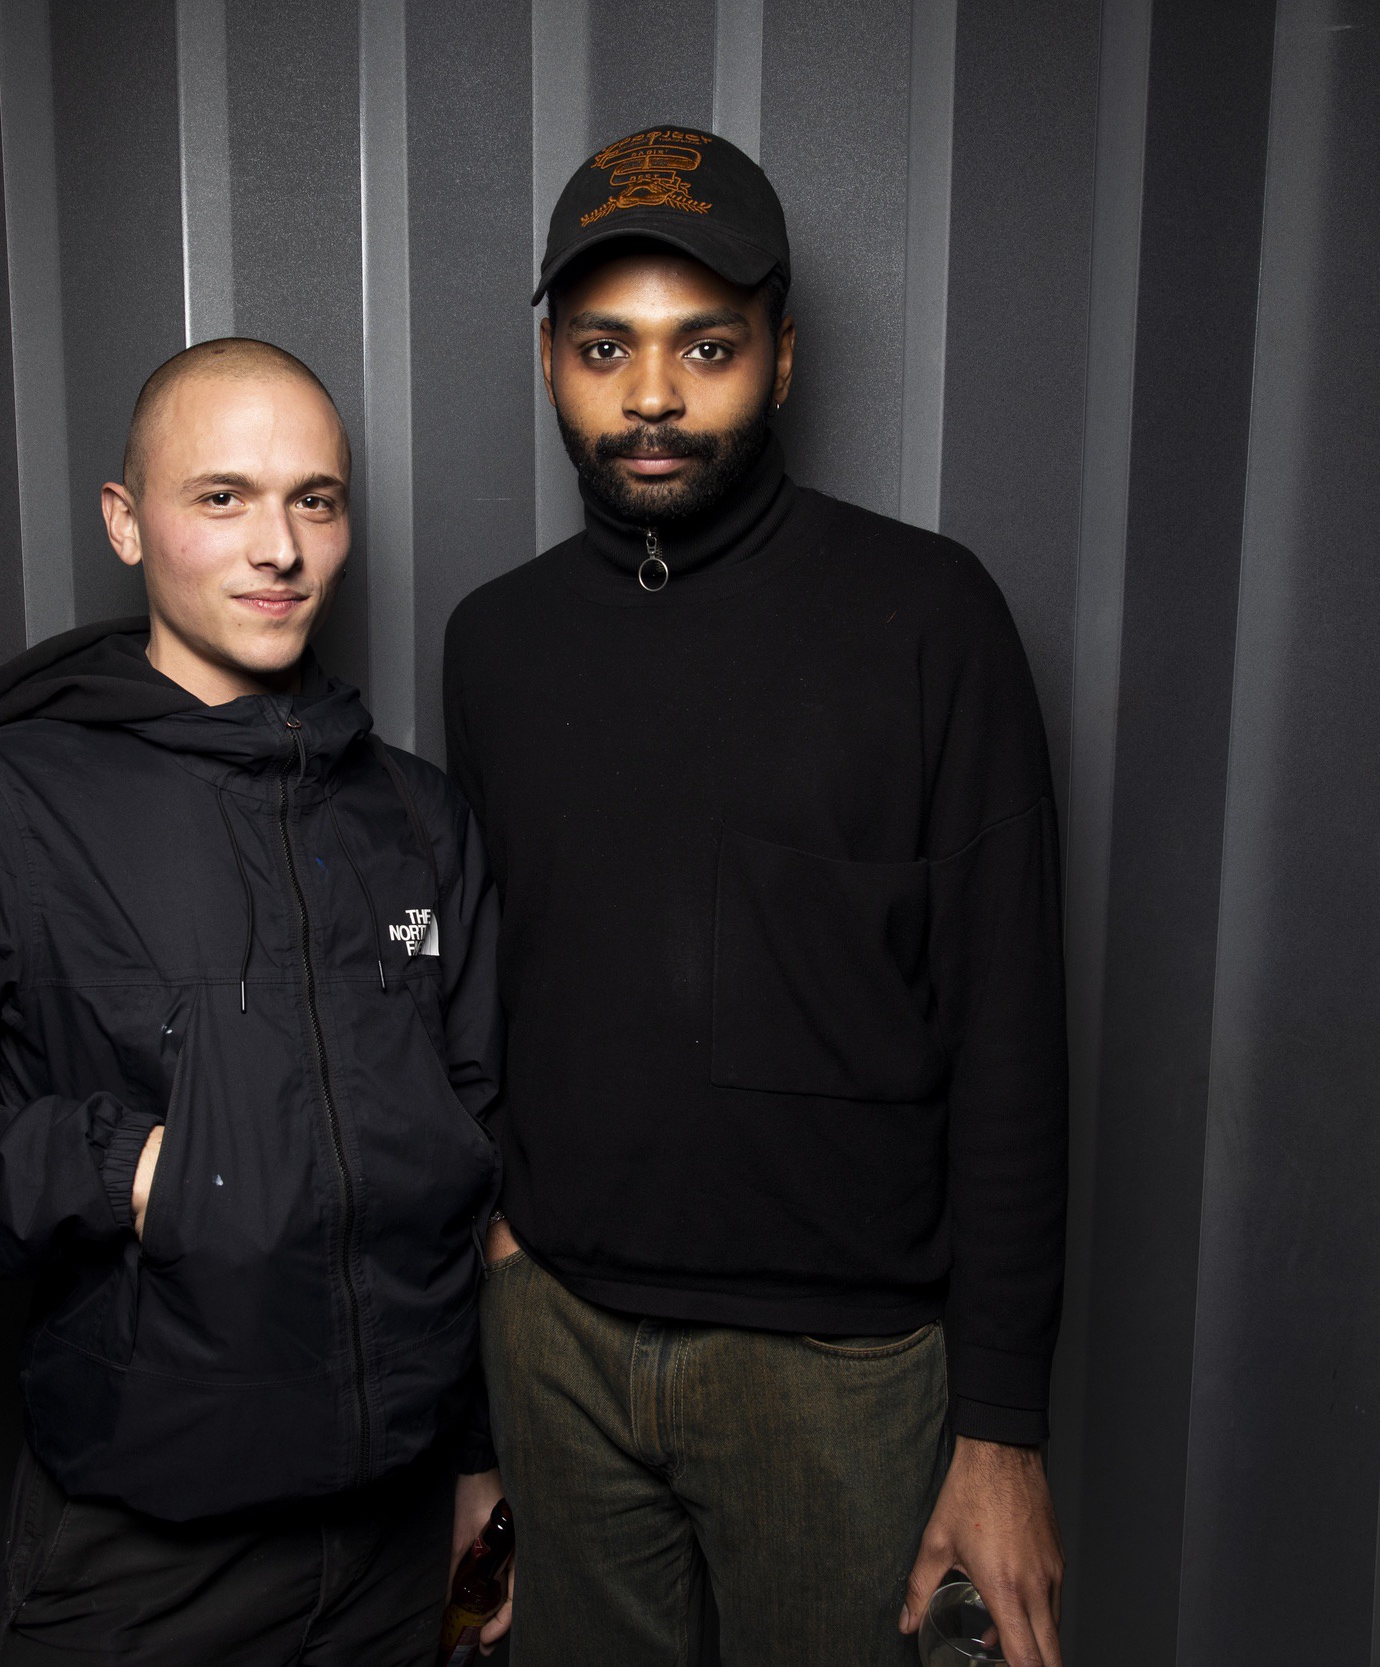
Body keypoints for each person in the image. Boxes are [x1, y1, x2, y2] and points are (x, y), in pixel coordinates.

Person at [0, 338, 508, 1665]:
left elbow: (477, 1158)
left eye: (315, 501)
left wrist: (479, 1466)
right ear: (124, 520)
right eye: (222, 497)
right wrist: (122, 1167)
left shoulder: (416, 815)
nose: (279, 547)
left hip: (397, 1546)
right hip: (151, 1564)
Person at [442, 128, 1069, 1666]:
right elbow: (477, 1009)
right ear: (549, 363)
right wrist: (485, 1381)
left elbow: (1011, 1035)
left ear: (782, 358)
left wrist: (1001, 1430)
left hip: (835, 1371)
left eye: (706, 346)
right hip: (557, 1342)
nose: (652, 395)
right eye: (606, 348)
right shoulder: (495, 644)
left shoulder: (929, 617)